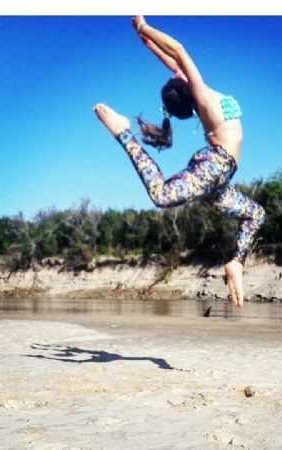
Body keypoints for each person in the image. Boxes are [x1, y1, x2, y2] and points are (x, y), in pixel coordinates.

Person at [94, 16, 265, 307]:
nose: (177, 72)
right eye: (178, 76)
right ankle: (123, 132)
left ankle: (236, 263)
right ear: (185, 86)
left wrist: (146, 41)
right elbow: (178, 50)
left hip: (220, 180)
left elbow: (171, 60)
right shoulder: (203, 97)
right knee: (161, 195)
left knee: (255, 215)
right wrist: (145, 26)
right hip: (214, 166)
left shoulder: (200, 92)